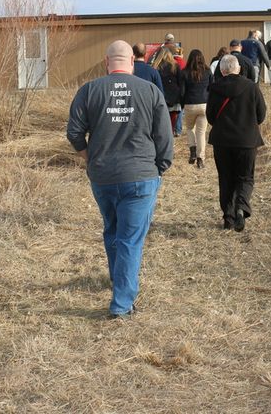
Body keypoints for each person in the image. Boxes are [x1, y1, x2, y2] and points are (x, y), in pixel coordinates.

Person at [66, 40, 173, 318]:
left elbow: (74, 132)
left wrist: (90, 157)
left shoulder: (89, 90)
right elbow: (164, 135)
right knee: (129, 238)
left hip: (103, 176)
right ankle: (122, 304)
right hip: (140, 175)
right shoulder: (149, 90)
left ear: (106, 62)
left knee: (113, 229)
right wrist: (161, 166)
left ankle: (118, 278)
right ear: (133, 62)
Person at [206, 54, 266, 232]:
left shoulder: (214, 88)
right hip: (247, 141)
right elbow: (261, 114)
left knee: (226, 179)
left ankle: (228, 218)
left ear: (222, 71)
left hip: (222, 141)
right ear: (238, 68)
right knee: (245, 177)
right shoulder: (251, 87)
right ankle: (241, 207)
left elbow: (210, 116)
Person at [180, 49, 211, 168]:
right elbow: (211, 88)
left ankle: (192, 150)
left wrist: (182, 104)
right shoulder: (207, 72)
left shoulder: (185, 72)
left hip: (190, 104)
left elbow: (182, 92)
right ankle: (200, 159)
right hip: (204, 104)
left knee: (189, 128)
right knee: (201, 132)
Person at [153, 47, 184, 136]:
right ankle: (170, 135)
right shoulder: (175, 66)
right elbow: (180, 82)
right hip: (174, 98)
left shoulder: (156, 67)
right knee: (172, 121)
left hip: (161, 98)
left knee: (162, 121)